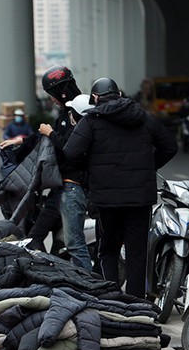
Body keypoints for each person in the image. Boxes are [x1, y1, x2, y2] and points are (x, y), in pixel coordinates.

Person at [64, 77, 178, 298]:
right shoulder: (143, 117)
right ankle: (136, 302)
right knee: (137, 252)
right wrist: (148, 167)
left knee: (108, 249)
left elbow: (71, 153)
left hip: (107, 200)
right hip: (139, 199)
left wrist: (91, 171)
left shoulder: (91, 120)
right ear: (119, 95)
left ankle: (112, 298)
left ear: (95, 97)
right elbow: (170, 146)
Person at [0, 65, 93, 271]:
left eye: (52, 95)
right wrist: (19, 142)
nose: (51, 99)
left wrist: (51, 134)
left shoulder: (82, 112)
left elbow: (72, 149)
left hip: (74, 188)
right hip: (59, 189)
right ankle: (53, 274)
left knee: (75, 245)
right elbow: (44, 140)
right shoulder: (64, 114)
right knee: (34, 237)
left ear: (62, 91)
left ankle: (89, 285)